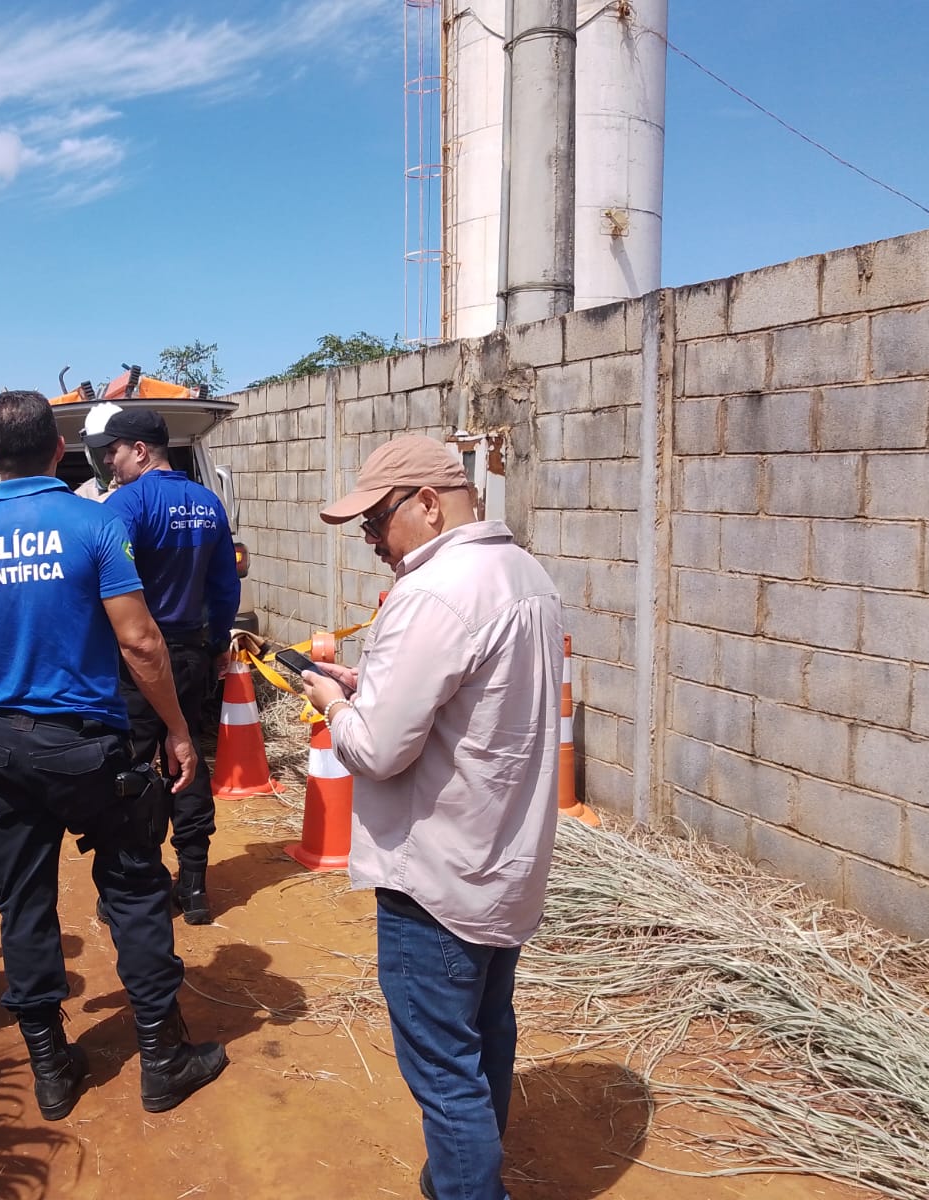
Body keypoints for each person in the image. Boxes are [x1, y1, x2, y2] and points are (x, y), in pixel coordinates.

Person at [0, 389, 228, 1120]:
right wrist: (178, 731)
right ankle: (162, 1059)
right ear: (60, 453)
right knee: (131, 888)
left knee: (24, 902)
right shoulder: (94, 524)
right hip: (92, 750)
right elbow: (139, 641)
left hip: (5, 745)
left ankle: (51, 1069)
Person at [298, 435, 563, 1200]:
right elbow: (467, 706)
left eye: (376, 522)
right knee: (486, 1036)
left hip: (435, 878)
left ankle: (467, 1186)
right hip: (500, 863)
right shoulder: (524, 573)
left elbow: (378, 751)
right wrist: (371, 682)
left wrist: (337, 702)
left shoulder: (433, 592)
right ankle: (461, 1174)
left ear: (425, 503)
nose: (373, 542)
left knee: (446, 1072)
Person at [81, 403, 240, 924]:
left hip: (137, 658)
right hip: (191, 652)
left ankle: (132, 884)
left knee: (129, 769)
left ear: (141, 451)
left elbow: (101, 583)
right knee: (187, 755)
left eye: (114, 451)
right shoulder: (207, 502)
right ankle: (193, 885)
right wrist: (217, 643)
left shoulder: (124, 505)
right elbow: (224, 586)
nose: (108, 461)